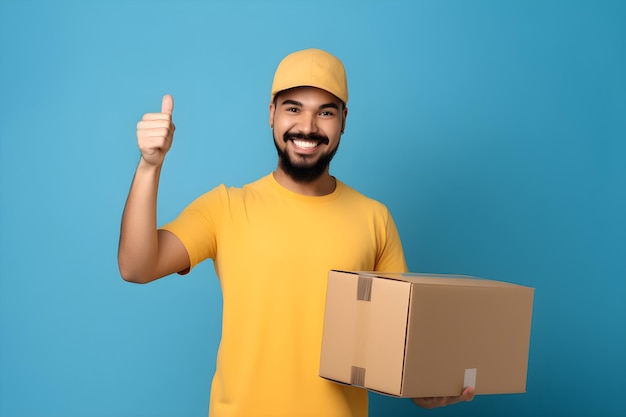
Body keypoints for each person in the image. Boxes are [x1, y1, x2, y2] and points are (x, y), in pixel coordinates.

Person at [118, 48, 474, 417]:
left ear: (344, 120)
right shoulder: (226, 207)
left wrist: (426, 389)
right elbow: (137, 267)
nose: (308, 126)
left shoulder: (374, 218)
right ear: (271, 114)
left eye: (325, 112)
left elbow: (396, 351)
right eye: (293, 108)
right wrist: (149, 166)